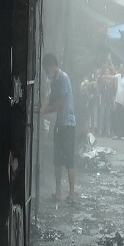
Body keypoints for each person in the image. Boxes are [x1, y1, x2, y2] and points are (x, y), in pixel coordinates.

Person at [40, 53, 77, 203]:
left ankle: (72, 193)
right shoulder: (54, 81)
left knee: (69, 160)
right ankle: (58, 192)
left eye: (46, 68)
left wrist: (43, 111)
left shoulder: (63, 78)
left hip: (68, 124)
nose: (46, 72)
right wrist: (42, 108)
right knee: (57, 160)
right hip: (58, 124)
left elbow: (60, 103)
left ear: (52, 66)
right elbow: (51, 101)